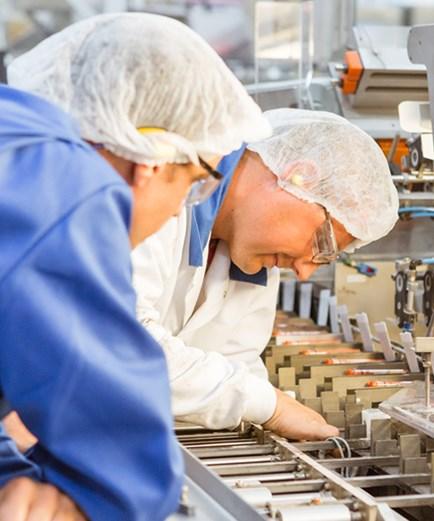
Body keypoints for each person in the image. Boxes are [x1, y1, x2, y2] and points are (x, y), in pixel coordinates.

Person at [1, 12, 271, 521]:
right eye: (194, 185)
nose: (179, 211)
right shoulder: (69, 187)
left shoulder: (14, 137)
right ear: (151, 157)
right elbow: (125, 470)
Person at [128, 108, 399, 439]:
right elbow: (123, 342)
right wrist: (272, 407)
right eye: (321, 244)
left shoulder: (255, 262)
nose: (303, 271)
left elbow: (237, 366)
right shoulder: (161, 194)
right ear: (298, 177)